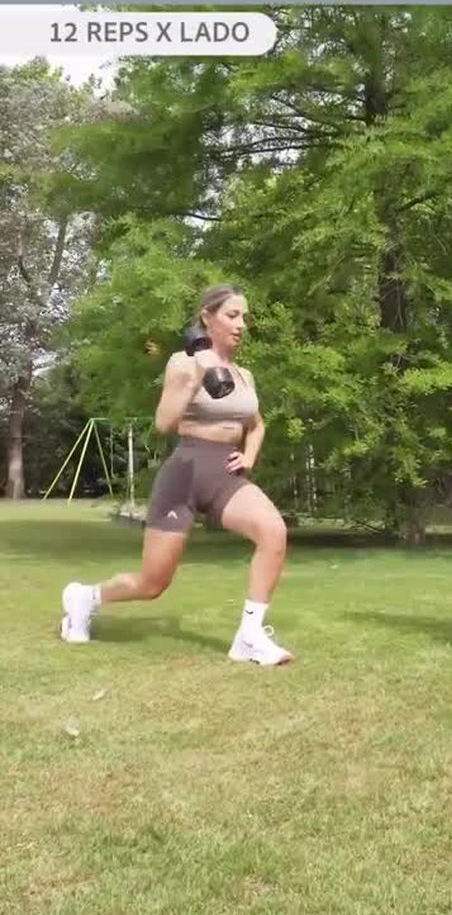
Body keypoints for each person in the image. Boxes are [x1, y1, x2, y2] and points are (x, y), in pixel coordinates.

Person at [60, 284, 292, 665]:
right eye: (232, 316)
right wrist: (192, 379)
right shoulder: (181, 364)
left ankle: (248, 637)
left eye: (244, 317)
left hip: (225, 475)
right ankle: (85, 598)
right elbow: (164, 423)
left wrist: (249, 455)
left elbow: (258, 424)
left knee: (273, 532)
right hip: (184, 473)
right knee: (153, 585)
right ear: (207, 318)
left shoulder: (243, 374)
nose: (241, 325)